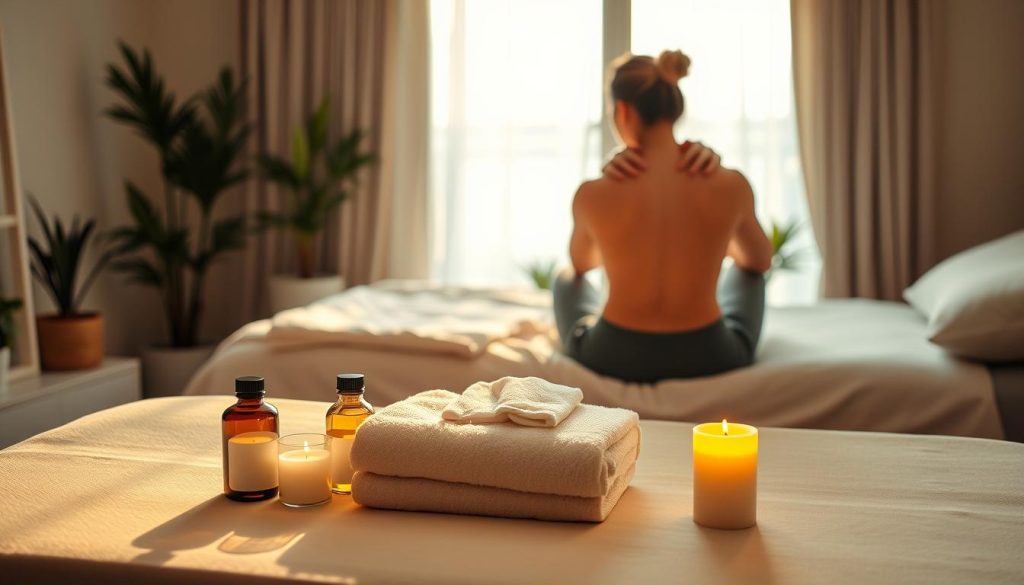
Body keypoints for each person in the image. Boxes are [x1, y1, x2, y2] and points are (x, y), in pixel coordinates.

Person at [554, 50, 773, 384]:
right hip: (711, 354)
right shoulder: (730, 182)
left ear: (622, 111)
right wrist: (707, 240)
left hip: (614, 354)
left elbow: (583, 264)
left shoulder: (593, 192)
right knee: (749, 275)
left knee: (566, 277)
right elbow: (759, 261)